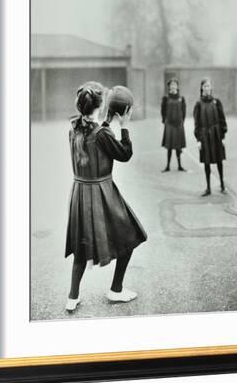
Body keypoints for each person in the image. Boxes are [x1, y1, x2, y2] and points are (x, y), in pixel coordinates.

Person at [65, 81, 147, 312]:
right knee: (130, 236)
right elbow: (125, 154)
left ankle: (72, 296)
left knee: (82, 245)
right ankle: (116, 289)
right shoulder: (102, 134)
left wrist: (108, 123)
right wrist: (125, 126)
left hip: (80, 193)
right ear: (101, 107)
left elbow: (96, 138)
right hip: (101, 192)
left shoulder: (74, 128)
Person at [193, 78, 228, 196]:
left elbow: (222, 119)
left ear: (211, 88)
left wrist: (223, 136)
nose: (207, 88)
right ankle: (208, 188)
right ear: (202, 88)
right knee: (206, 162)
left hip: (217, 135)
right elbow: (197, 123)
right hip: (204, 137)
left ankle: (222, 185)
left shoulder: (216, 102)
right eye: (205, 86)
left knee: (219, 161)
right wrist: (198, 139)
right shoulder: (198, 104)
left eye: (209, 86)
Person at [161, 78, 187, 172]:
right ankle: (167, 166)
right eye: (171, 85)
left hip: (179, 124)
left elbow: (184, 111)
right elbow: (163, 110)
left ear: (177, 86)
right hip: (169, 125)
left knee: (178, 146)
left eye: (174, 85)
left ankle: (180, 166)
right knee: (169, 146)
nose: (173, 86)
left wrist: (181, 121)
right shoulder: (166, 98)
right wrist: (165, 121)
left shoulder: (181, 98)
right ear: (169, 87)